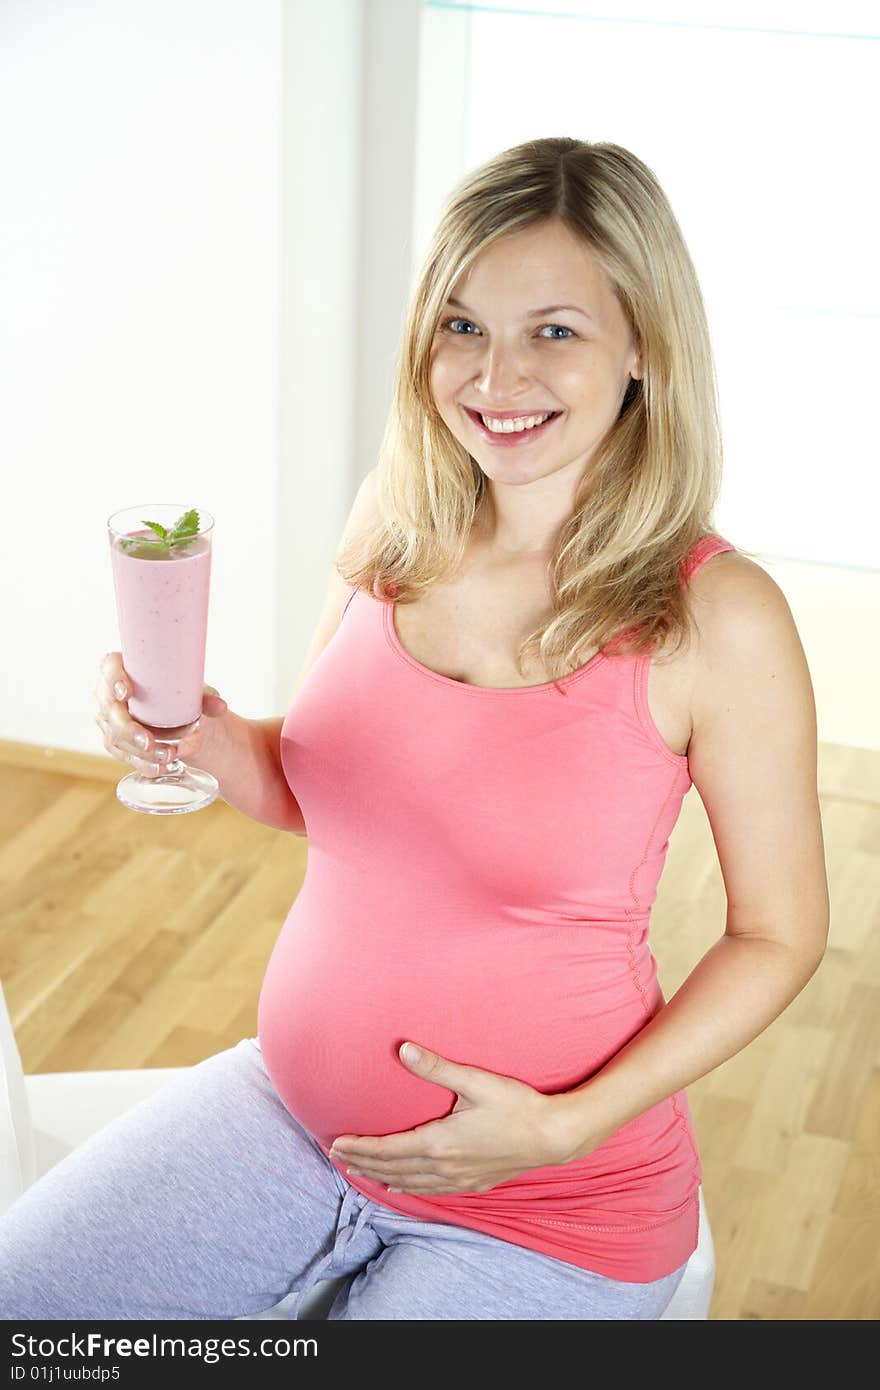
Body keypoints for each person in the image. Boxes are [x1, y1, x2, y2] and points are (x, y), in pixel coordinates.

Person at [0, 137, 829, 1321]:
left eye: (554, 330)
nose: (496, 375)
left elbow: (780, 933)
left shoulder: (714, 615)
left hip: (550, 1206)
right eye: (460, 325)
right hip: (291, 1119)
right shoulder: (399, 511)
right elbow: (322, 786)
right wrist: (208, 736)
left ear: (642, 344)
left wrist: (561, 1122)